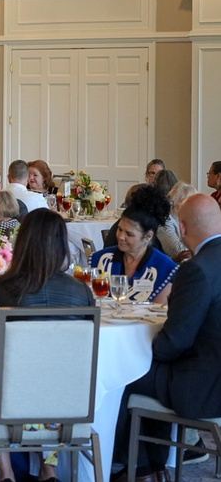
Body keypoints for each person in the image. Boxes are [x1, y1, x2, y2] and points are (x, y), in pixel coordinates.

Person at [0, 208, 95, 482]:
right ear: (62, 244)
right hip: (68, 407)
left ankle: (5, 473)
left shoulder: (0, 289)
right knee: (53, 384)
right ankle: (48, 469)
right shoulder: (82, 292)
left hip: (12, 406)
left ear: (22, 242)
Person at [110, 194, 221, 482]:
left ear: (181, 229)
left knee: (125, 373)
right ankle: (151, 466)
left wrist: (143, 354)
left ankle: (141, 467)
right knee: (150, 371)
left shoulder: (197, 269)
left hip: (204, 388)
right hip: (213, 373)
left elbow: (175, 342)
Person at [91, 185, 177, 304]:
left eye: (129, 234)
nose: (121, 237)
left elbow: (160, 312)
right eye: (119, 229)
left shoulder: (164, 268)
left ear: (148, 236)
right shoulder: (101, 259)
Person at [159, 183, 197, 262]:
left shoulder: (188, 219)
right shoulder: (165, 221)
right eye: (191, 202)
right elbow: (176, 250)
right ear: (177, 203)